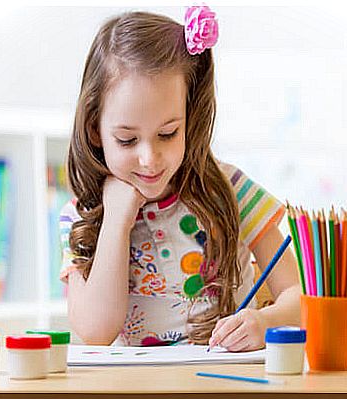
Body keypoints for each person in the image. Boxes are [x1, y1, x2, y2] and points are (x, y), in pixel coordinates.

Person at [59, 5, 301, 352]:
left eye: (168, 134)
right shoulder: (80, 217)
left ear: (191, 118)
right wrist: (116, 219)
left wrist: (264, 322)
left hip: (228, 385)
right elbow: (96, 332)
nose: (149, 158)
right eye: (127, 139)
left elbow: (302, 301)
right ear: (94, 129)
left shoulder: (231, 189)